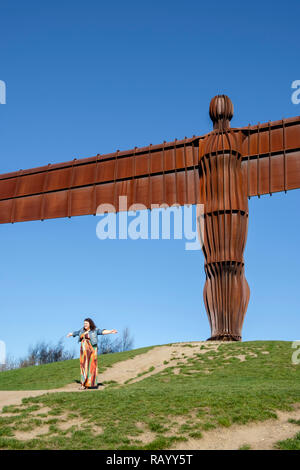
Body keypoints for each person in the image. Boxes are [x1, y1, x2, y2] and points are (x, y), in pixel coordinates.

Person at [67, 318, 117, 390]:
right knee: (83, 366)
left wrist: (110, 331)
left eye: (86, 323)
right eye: (84, 323)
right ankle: (83, 384)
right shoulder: (82, 330)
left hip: (92, 350)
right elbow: (77, 333)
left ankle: (89, 383)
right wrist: (71, 334)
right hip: (83, 350)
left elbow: (102, 331)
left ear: (90, 324)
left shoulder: (94, 330)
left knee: (91, 366)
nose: (85, 325)